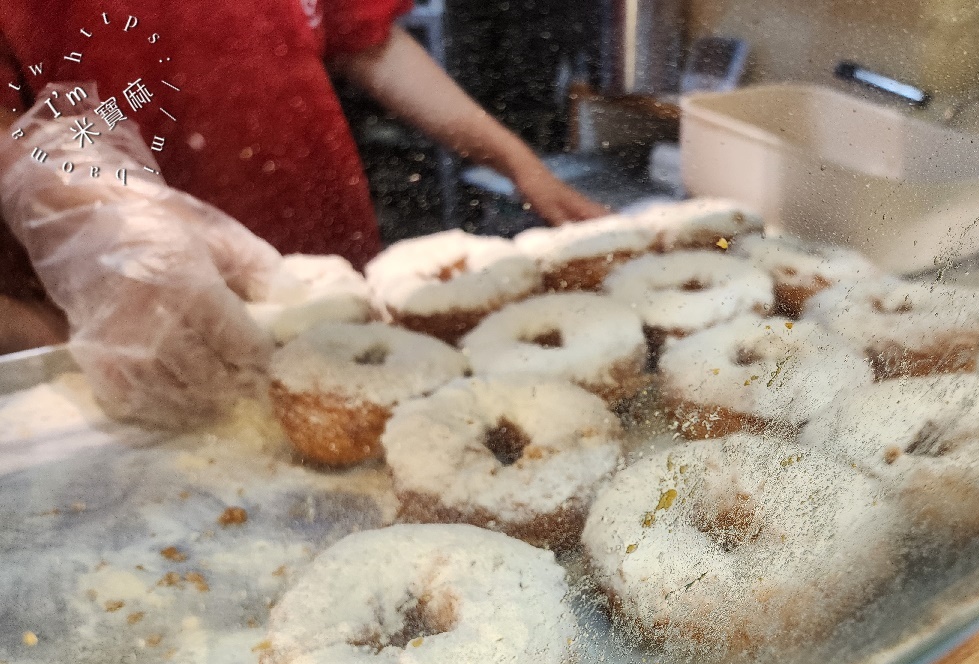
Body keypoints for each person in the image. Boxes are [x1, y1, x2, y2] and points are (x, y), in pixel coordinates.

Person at [0, 1, 606, 425]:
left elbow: (370, 42)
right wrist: (77, 317)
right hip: (146, 320)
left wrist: (518, 161)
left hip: (325, 274)